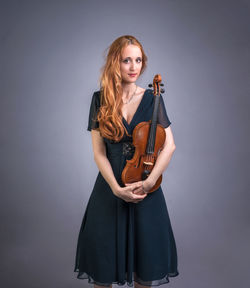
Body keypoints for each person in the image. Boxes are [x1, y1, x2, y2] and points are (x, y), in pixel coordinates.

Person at [74, 35, 179, 288]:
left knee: (145, 269)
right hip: (109, 191)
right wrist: (116, 188)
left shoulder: (153, 100)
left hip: (146, 189)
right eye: (126, 60)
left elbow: (170, 146)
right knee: (103, 267)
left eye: (138, 60)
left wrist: (150, 181)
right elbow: (99, 152)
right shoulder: (100, 99)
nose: (133, 67)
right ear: (115, 63)